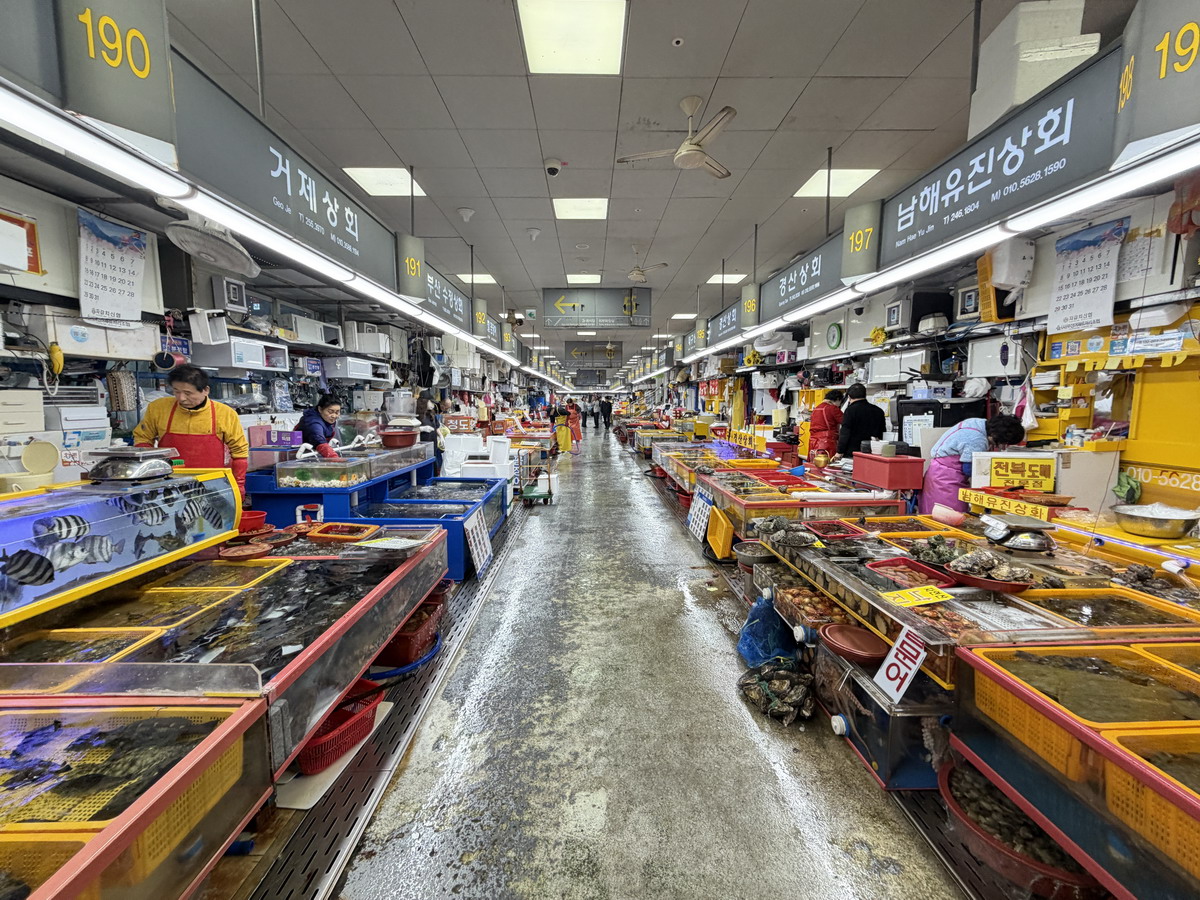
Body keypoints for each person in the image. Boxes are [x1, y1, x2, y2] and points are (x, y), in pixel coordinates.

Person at [133, 364, 250, 497]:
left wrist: (238, 485)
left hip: (212, 484)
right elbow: (142, 438)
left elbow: (239, 452)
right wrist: (149, 473)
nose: (181, 398)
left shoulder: (225, 413)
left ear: (205, 390)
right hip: (168, 484)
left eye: (188, 393)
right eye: (176, 391)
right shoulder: (158, 408)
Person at [919, 414, 1026, 514]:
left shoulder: (978, 423)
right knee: (951, 514)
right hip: (946, 479)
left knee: (934, 512)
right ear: (996, 435)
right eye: (1003, 443)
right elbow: (968, 469)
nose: (1002, 446)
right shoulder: (976, 439)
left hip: (937, 471)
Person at [835, 383, 886, 459]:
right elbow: (883, 432)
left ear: (849, 397)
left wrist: (839, 451)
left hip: (853, 453)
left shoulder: (850, 411)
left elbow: (845, 433)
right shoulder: (878, 411)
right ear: (865, 395)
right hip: (873, 452)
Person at [298, 394, 343, 459]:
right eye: (330, 412)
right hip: (302, 455)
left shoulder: (327, 419)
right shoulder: (313, 422)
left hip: (315, 454)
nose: (334, 416)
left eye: (337, 412)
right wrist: (337, 460)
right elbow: (319, 441)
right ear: (320, 409)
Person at [808, 389, 844, 460]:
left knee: (815, 462)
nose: (839, 405)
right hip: (827, 441)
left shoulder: (817, 408)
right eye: (840, 402)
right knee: (828, 463)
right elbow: (845, 422)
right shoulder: (832, 408)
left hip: (813, 440)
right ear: (837, 399)